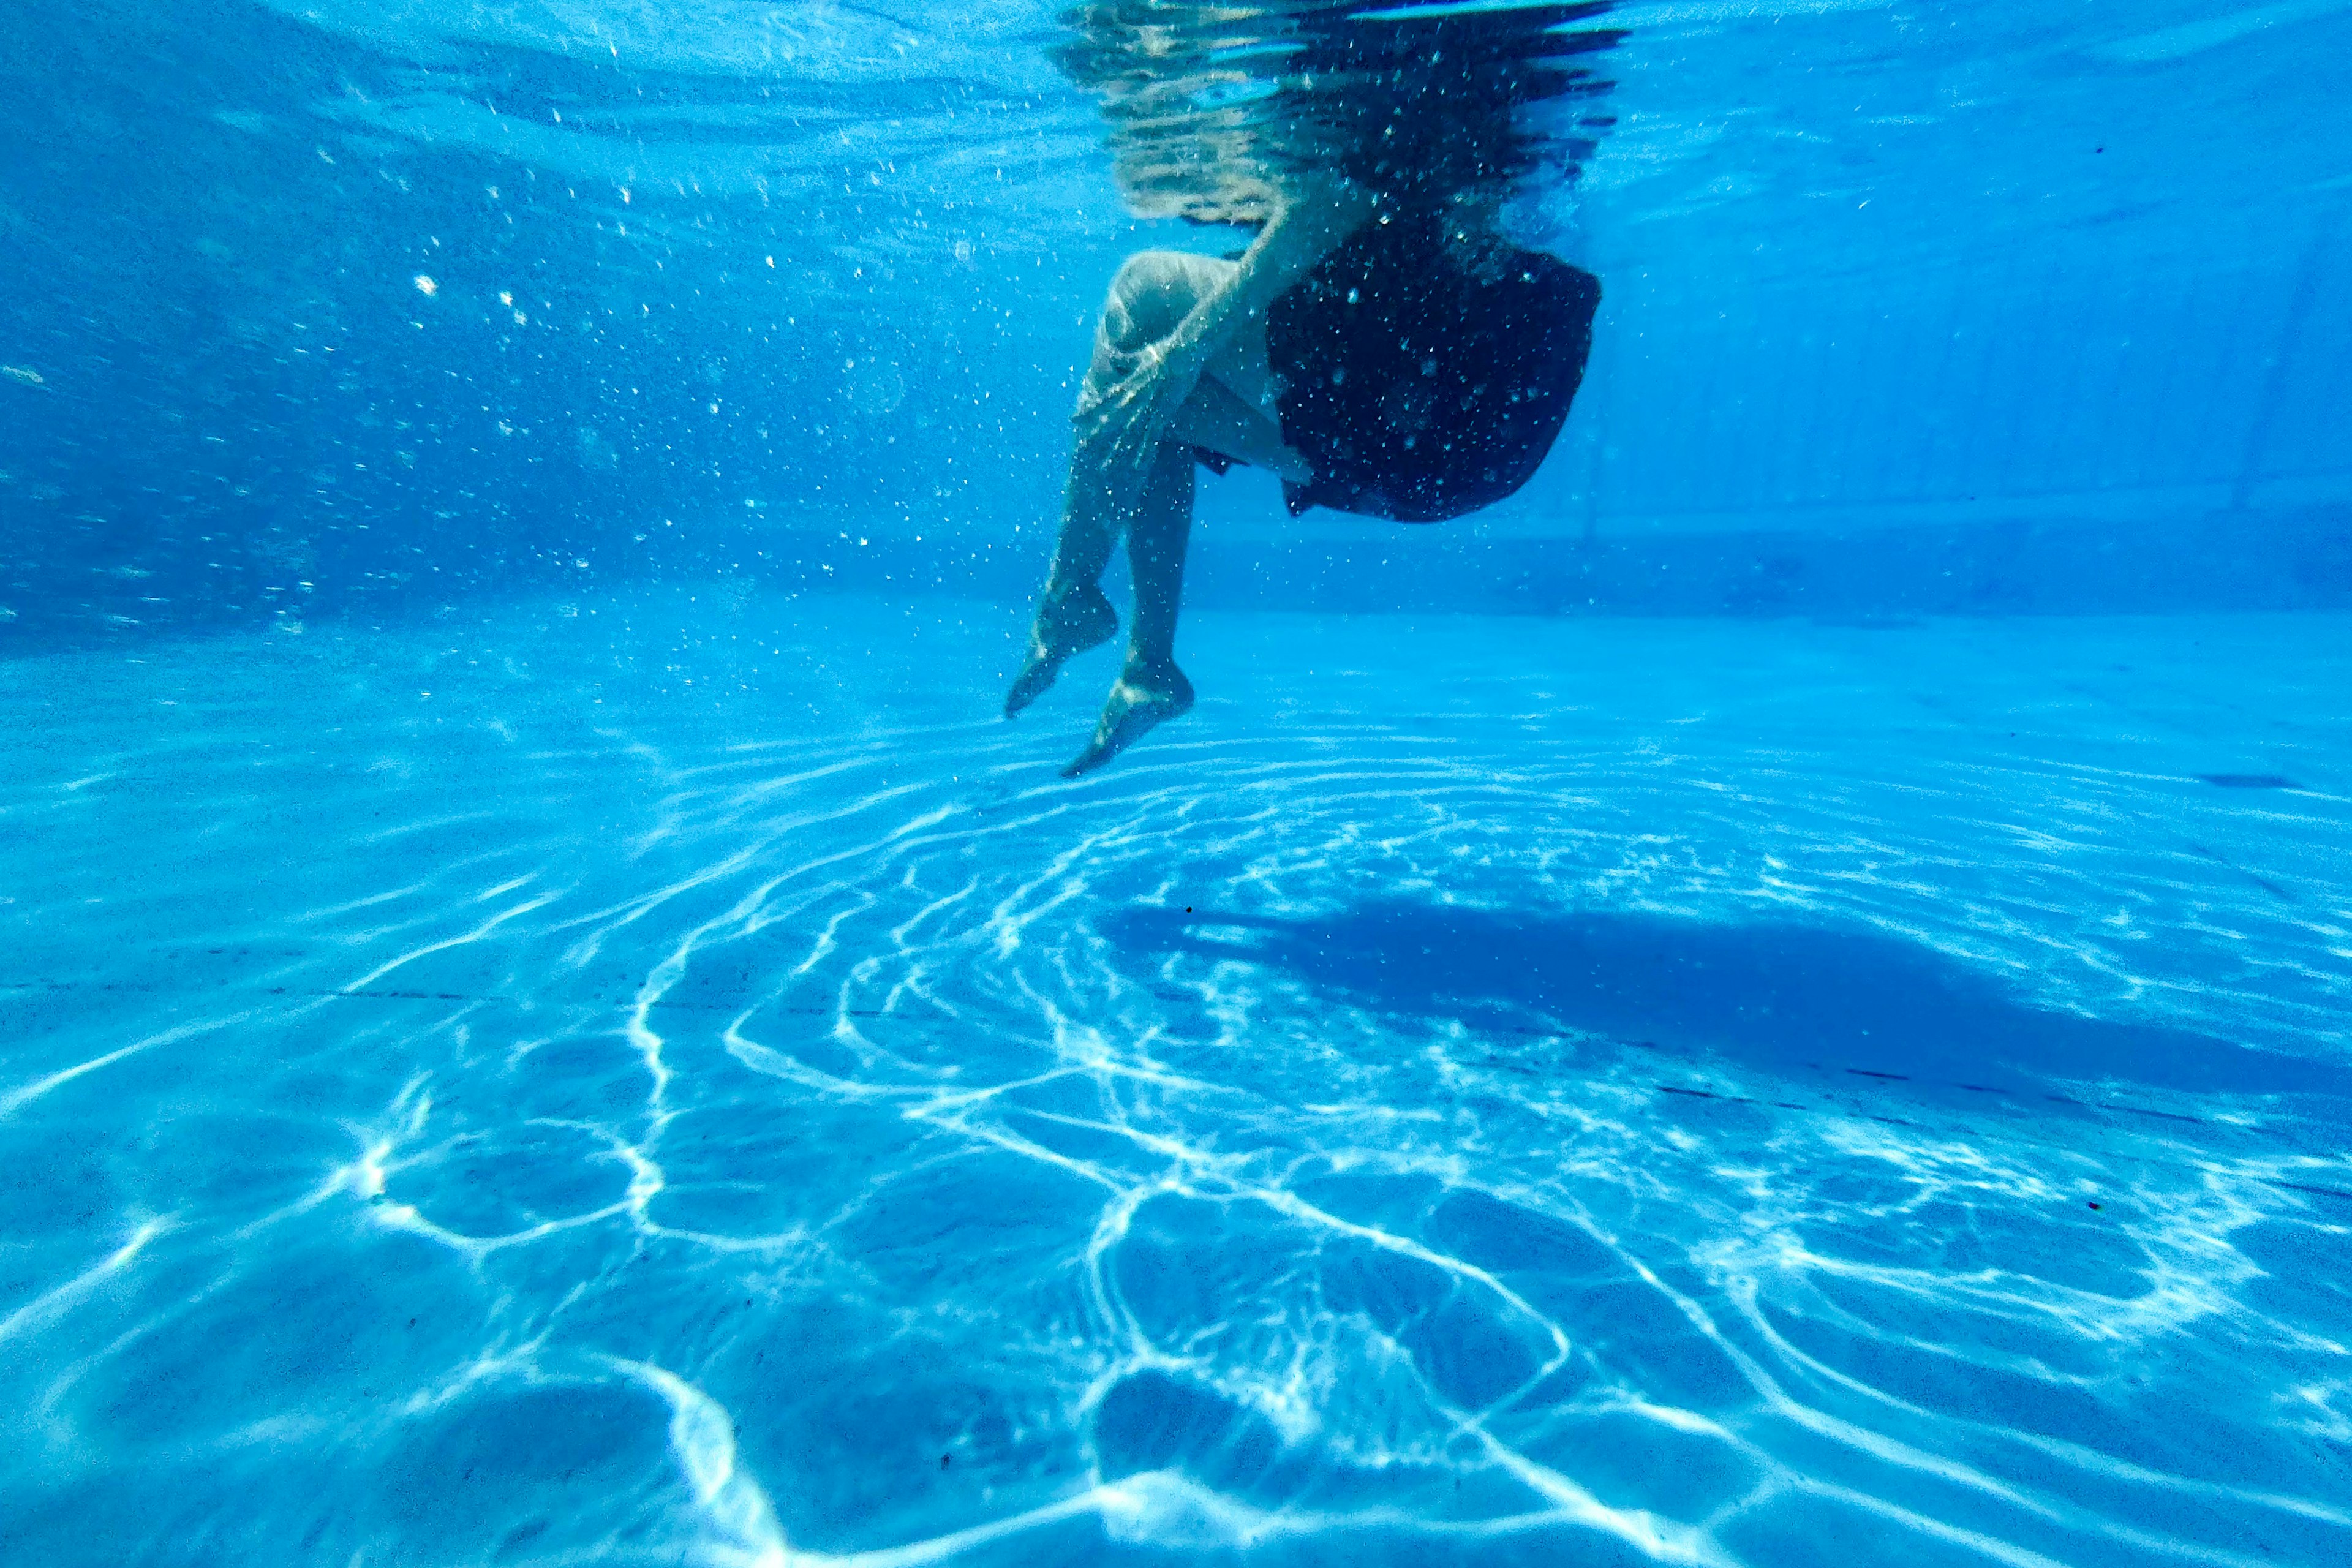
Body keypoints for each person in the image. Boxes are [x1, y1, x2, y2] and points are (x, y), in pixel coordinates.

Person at [1005, 175, 1602, 777]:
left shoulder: (1367, 119)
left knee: (1145, 295)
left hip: (1445, 393)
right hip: (1469, 450)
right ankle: (1146, 667)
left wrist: (1184, 353)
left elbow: (1321, 208)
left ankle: (1071, 601)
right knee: (1158, 409)